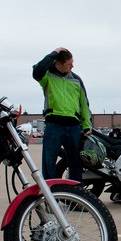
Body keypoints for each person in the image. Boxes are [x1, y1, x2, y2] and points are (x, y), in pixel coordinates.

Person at [32, 47, 91, 182]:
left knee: (76, 163)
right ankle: (50, 196)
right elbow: (37, 71)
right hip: (54, 125)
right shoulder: (47, 77)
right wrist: (53, 54)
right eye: (69, 64)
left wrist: (87, 126)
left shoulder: (77, 80)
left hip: (74, 127)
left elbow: (84, 104)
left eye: (72, 63)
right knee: (49, 163)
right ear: (58, 64)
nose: (72, 66)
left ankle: (76, 194)